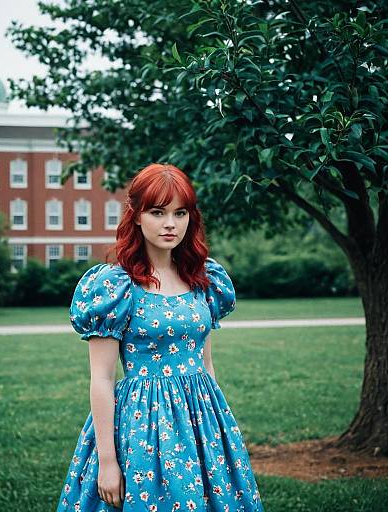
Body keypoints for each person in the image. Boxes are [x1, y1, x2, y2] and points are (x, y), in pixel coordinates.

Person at [57, 164, 264, 511]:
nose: (171, 223)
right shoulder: (115, 286)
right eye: (158, 212)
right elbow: (102, 379)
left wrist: (218, 431)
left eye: (180, 213)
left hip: (203, 419)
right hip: (143, 424)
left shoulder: (202, 277)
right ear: (136, 216)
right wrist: (108, 461)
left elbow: (206, 364)